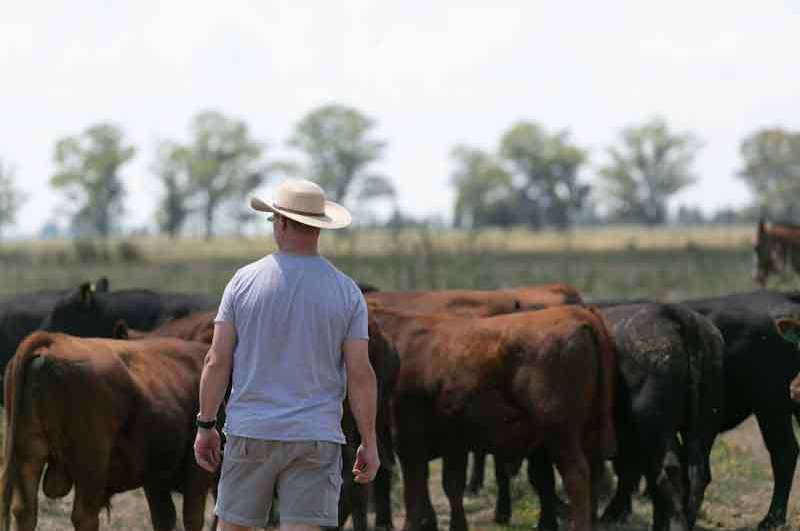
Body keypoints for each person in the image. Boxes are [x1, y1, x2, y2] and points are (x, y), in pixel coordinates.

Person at [193, 178, 379, 531]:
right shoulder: (347, 292)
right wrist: (369, 442)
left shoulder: (243, 282)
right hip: (316, 435)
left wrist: (205, 424)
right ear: (318, 228)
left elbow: (216, 361)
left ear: (280, 222)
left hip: (251, 431)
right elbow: (360, 374)